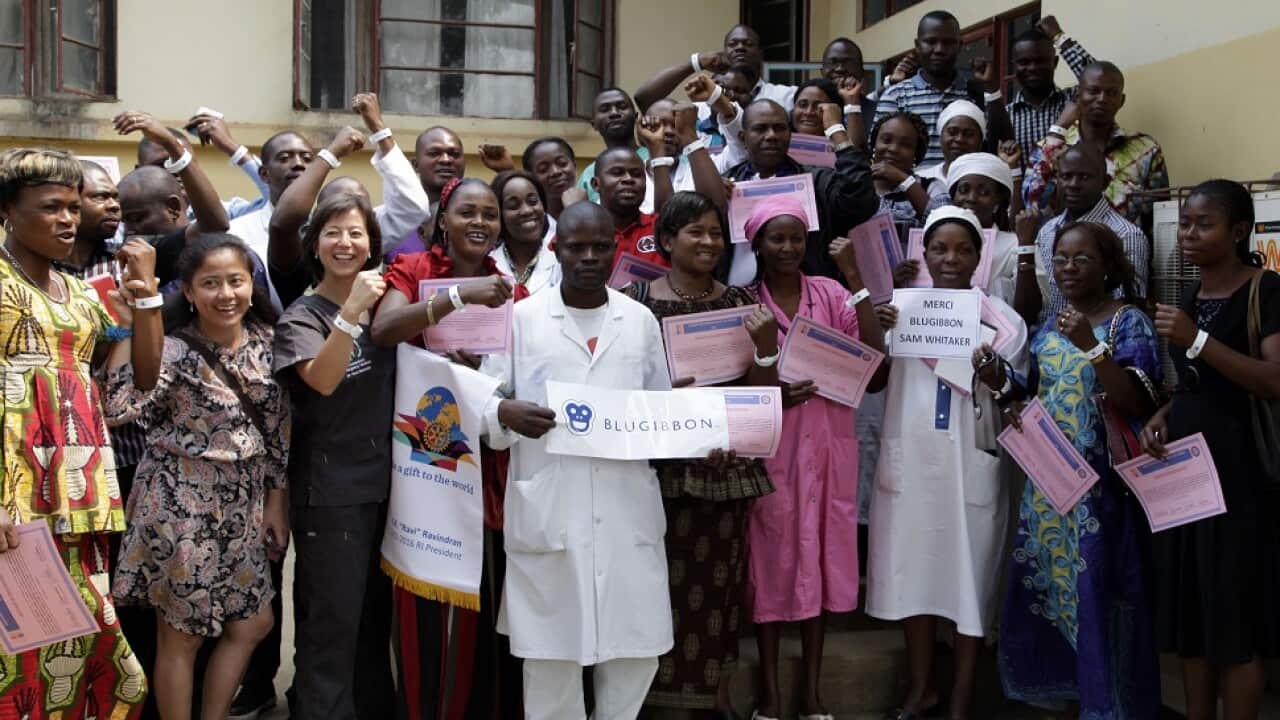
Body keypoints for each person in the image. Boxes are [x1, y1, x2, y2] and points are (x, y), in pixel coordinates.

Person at [477, 201, 675, 720]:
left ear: (615, 249)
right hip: (550, 510)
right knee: (549, 662)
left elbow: (662, 412)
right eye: (575, 247)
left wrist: (698, 429)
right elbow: (483, 408)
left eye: (599, 247)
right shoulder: (519, 320)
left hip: (625, 507)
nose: (588, 257)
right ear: (555, 249)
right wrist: (505, 413)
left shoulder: (639, 320)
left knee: (634, 655)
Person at [0, 147, 162, 719]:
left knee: (81, 645)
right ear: (7, 213)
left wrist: (147, 296)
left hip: (81, 496)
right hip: (13, 498)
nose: (68, 219)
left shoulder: (79, 294)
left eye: (73, 207)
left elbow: (142, 376)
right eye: (51, 207)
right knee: (13, 654)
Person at [104, 233, 288, 720]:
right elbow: (120, 406)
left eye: (236, 281)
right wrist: (130, 330)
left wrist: (276, 500)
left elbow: (277, 432)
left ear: (252, 285)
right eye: (210, 283)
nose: (225, 294)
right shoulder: (171, 349)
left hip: (242, 506)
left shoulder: (269, 344)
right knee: (181, 636)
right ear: (187, 291)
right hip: (179, 505)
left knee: (253, 623)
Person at [992, 221, 1161, 718]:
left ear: (1107, 265)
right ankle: (1068, 696)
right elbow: (1033, 394)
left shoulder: (1129, 322)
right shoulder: (1051, 324)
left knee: (1101, 595)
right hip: (1049, 490)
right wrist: (1002, 387)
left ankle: (1109, 703)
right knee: (1052, 590)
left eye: (1081, 258)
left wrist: (1092, 345)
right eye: (1061, 258)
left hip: (1104, 495)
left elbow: (1137, 400)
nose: (1067, 268)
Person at [866, 206, 1029, 720]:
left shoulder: (1003, 322)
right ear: (924, 254)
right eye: (939, 248)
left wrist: (990, 368)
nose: (950, 258)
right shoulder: (901, 312)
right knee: (911, 575)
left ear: (980, 258)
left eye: (963, 249)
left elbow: (1012, 391)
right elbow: (871, 376)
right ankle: (922, 688)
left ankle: (961, 695)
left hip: (968, 463)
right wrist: (880, 328)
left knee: (969, 581)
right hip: (911, 461)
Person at [371, 177, 523, 720]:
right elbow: (385, 328)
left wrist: (487, 374)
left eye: (489, 213)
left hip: (485, 467)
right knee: (424, 612)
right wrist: (456, 298)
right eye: (467, 212)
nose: (480, 222)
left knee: (482, 610)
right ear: (442, 219)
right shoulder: (414, 271)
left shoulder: (508, 288)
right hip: (422, 465)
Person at [623, 191, 778, 716]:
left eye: (715, 232)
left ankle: (712, 699)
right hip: (661, 473)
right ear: (667, 241)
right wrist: (667, 400)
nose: (709, 241)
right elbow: (625, 389)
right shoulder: (636, 302)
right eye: (695, 232)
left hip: (724, 471)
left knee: (718, 591)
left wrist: (765, 347)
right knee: (658, 587)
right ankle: (652, 700)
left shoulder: (741, 304)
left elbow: (762, 394)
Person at [742, 196, 888, 720]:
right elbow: (737, 388)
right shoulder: (746, 304)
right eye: (776, 238)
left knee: (820, 568)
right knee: (771, 565)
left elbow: (875, 368)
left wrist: (855, 277)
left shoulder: (830, 294)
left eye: (796, 238)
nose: (787, 247)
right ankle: (771, 694)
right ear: (756, 243)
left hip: (827, 450)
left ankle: (811, 691)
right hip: (775, 455)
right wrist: (776, 389)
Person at [1141, 180, 1280, 720]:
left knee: (1235, 622)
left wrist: (1196, 340)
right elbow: (1203, 385)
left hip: (1240, 481)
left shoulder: (1265, 290)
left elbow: (1271, 380)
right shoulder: (1195, 297)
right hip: (1190, 476)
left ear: (1239, 230)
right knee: (1195, 619)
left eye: (1204, 224)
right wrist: (1164, 415)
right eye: (1186, 224)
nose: (1189, 235)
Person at [271, 192, 395, 720]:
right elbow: (321, 381)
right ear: (314, 245)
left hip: (387, 487)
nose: (345, 243)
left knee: (371, 625)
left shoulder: (389, 303)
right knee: (330, 628)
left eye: (356, 233)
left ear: (372, 245)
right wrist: (350, 314)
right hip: (330, 494)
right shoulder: (302, 316)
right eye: (333, 233)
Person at [719, 98, 877, 286]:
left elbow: (861, 202)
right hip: (739, 300)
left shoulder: (817, 182)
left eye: (779, 128)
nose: (771, 135)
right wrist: (714, 197)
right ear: (743, 138)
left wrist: (836, 130)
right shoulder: (726, 184)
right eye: (760, 129)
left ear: (789, 134)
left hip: (808, 302)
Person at [1023, 61, 1169, 233]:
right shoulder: (1051, 147)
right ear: (1078, 97)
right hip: (1064, 255)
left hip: (1127, 255)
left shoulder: (1145, 150)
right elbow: (1033, 203)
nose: (1102, 99)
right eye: (1093, 91)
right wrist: (1058, 131)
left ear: (1121, 101)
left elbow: (1161, 217)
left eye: (1111, 93)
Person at [1026, 143, 1150, 327]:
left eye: (1084, 177)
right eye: (1066, 176)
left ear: (1105, 182)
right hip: (1049, 341)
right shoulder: (1047, 231)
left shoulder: (1127, 234)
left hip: (1099, 343)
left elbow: (1130, 303)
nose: (1074, 185)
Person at [875, 11, 990, 167]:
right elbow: (879, 154)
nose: (939, 49)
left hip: (962, 189)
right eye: (931, 41)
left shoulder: (974, 94)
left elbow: (993, 144)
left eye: (948, 43)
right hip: (908, 188)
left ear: (960, 46)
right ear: (917, 45)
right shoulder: (895, 96)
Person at [945, 152, 1031, 312]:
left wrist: (1025, 254)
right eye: (963, 190)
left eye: (983, 192)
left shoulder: (1015, 246)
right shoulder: (932, 245)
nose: (971, 198)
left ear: (998, 201)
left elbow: (1030, 309)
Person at [136, 120, 270, 221]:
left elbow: (277, 202)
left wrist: (230, 146)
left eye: (185, 162)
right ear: (139, 171)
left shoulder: (226, 214)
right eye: (164, 164)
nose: (177, 170)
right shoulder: (128, 219)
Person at [1005, 16, 1097, 161]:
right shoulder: (1006, 116)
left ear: (1054, 62)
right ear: (1014, 66)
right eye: (1024, 62)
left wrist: (1059, 37)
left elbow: (1097, 78)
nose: (1032, 68)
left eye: (1040, 61)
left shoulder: (1073, 101)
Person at [387, 125, 467, 260]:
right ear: (415, 165)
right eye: (434, 153)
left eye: (454, 154)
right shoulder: (393, 220)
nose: (446, 160)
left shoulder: (480, 218)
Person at [868, 110, 944, 247]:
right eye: (886, 140)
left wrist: (904, 180)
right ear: (874, 144)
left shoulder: (931, 187)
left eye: (905, 145)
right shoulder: (856, 183)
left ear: (916, 152)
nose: (893, 149)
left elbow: (945, 225)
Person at [589, 146, 667, 271]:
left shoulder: (662, 229)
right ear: (596, 184)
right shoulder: (580, 232)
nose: (628, 179)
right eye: (617, 173)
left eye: (636, 174)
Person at [577, 88, 653, 211]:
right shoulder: (588, 174)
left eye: (622, 106)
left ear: (636, 117)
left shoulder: (656, 156)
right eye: (604, 109)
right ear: (594, 124)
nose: (614, 113)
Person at [491, 170, 560, 294]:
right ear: (498, 214)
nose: (527, 211)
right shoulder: (486, 264)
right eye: (513, 206)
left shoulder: (561, 260)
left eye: (533, 202)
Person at [917, 100, 986, 201]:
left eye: (969, 134)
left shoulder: (988, 181)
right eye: (952, 132)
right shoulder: (921, 179)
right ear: (941, 137)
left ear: (980, 141)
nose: (959, 139)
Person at [521, 136, 576, 222]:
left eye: (562, 163)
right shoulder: (530, 222)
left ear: (574, 165)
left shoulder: (597, 208)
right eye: (543, 169)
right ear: (531, 178)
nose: (555, 172)